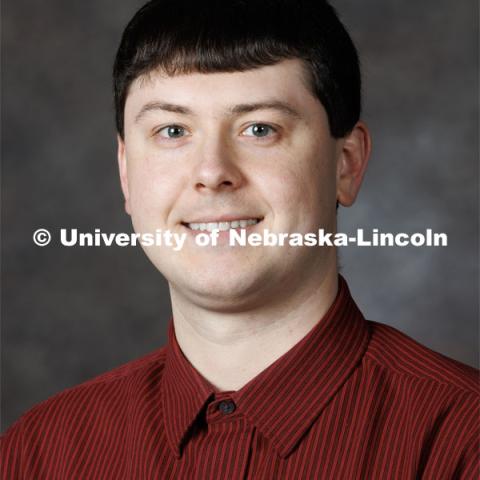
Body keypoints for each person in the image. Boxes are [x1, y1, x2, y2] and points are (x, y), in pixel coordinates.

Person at [2, 0, 478, 478]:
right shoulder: (38, 452)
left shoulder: (461, 440)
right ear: (126, 172)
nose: (212, 173)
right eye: (172, 130)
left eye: (259, 129)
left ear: (346, 165)